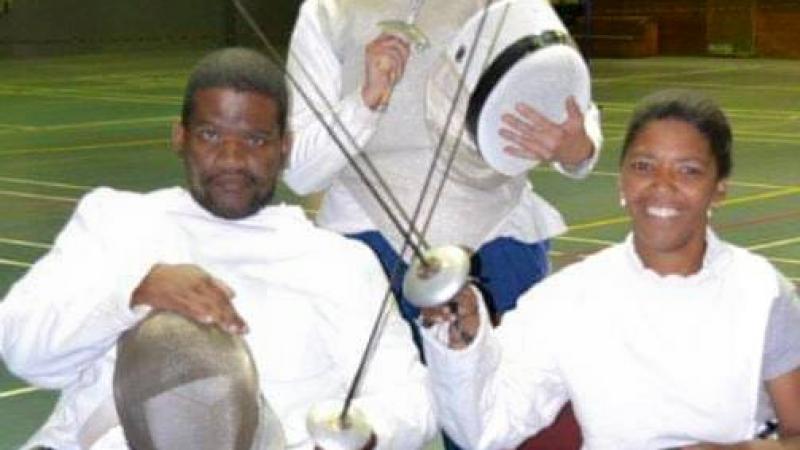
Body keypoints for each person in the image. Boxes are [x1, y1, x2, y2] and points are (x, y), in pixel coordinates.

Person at [0, 47, 436, 450]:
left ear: (284, 148)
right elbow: (23, 350)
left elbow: (412, 401)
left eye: (255, 140)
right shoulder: (115, 220)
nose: (231, 158)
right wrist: (134, 292)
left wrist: (339, 433)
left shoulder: (339, 262)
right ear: (180, 137)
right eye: (210, 135)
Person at [419, 89, 800, 449]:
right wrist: (460, 341)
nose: (661, 185)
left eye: (689, 171)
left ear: (719, 188)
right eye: (643, 166)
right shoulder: (567, 299)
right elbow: (486, 430)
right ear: (622, 180)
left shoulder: (760, 290)